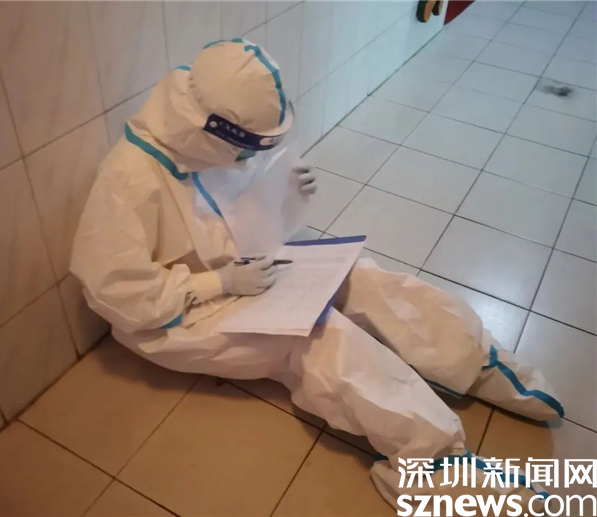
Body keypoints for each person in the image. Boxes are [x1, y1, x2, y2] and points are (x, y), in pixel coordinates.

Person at [71, 39, 562, 510]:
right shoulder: (129, 178)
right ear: (213, 131)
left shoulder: (210, 136)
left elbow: (236, 212)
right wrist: (216, 284)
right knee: (320, 337)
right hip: (177, 314)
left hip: (244, 272)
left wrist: (285, 192)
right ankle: (429, 464)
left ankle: (472, 360)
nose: (249, 160)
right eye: (248, 151)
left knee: (363, 280)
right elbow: (117, 293)